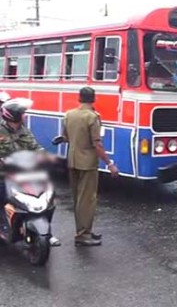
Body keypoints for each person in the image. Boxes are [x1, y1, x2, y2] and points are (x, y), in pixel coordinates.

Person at [0, 98, 62, 247]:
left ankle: (47, 231)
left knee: (46, 197)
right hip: (3, 174)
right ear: (13, 116)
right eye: (22, 114)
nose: (24, 116)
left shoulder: (23, 129)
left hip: (23, 171)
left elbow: (34, 146)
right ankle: (3, 226)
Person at [62, 87, 118, 247]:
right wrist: (109, 163)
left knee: (77, 198)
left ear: (79, 98)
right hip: (87, 164)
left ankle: (82, 230)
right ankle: (83, 234)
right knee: (87, 200)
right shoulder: (92, 117)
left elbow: (65, 138)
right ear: (94, 99)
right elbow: (97, 144)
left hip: (72, 161)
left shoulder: (69, 114)